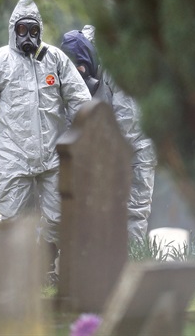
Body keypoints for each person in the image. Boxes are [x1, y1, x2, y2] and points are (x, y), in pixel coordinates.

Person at [0, 0, 91, 270]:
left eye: (33, 30)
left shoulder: (55, 60)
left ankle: (46, 264)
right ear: (12, 29)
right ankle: (14, 274)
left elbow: (80, 101)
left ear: (39, 31)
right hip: (13, 158)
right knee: (13, 218)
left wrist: (89, 141)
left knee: (58, 217)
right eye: (21, 30)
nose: (27, 36)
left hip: (53, 156)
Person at [61, 25, 157, 245]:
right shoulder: (68, 73)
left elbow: (127, 120)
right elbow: (70, 117)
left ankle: (129, 263)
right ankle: (96, 266)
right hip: (102, 148)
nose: (80, 76)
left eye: (82, 70)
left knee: (133, 210)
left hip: (136, 147)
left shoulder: (117, 63)